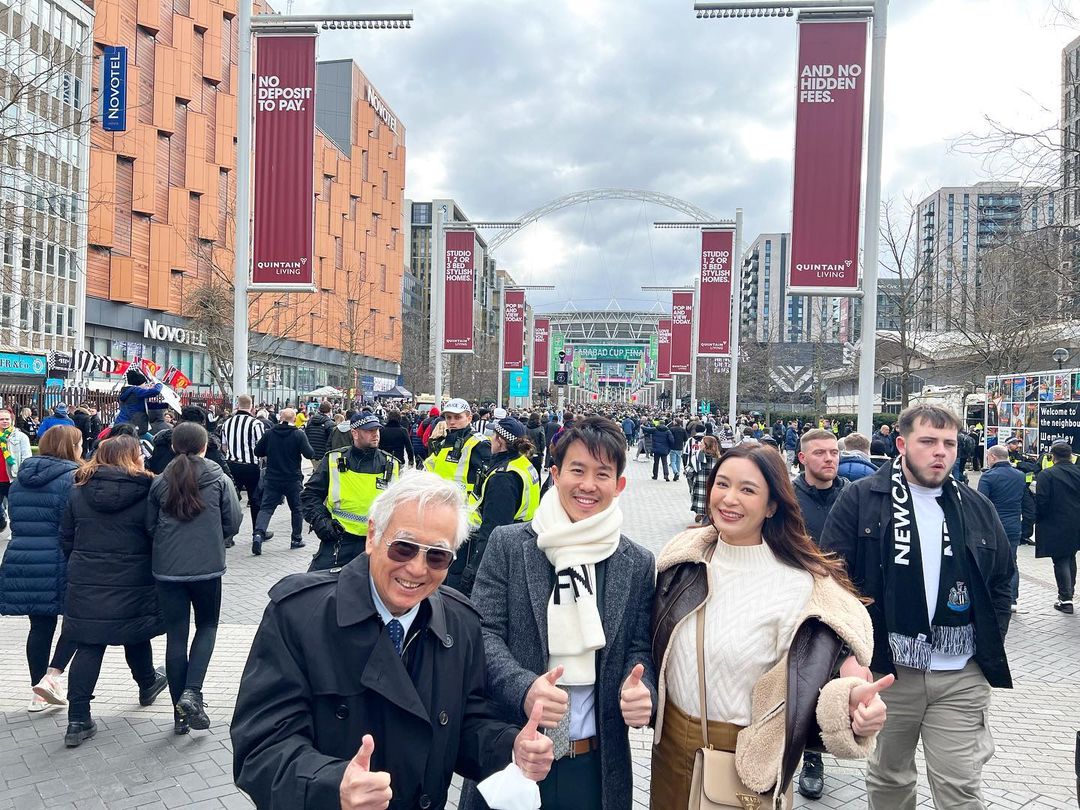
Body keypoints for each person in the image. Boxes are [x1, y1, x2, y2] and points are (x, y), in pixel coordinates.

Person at [231, 471, 554, 809]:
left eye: (437, 556)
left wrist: (510, 746)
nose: (417, 568)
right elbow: (261, 746)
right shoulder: (299, 615)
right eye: (403, 548)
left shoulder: (460, 623)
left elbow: (465, 722)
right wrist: (333, 784)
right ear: (373, 536)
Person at [650, 443, 888, 808]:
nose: (729, 499)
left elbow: (812, 682)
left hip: (745, 762)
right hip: (669, 749)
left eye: (748, 490)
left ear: (772, 505)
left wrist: (850, 708)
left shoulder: (799, 586)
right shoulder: (683, 561)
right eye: (722, 484)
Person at [821, 404, 1013, 810]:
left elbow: (1002, 581)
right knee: (890, 780)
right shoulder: (861, 500)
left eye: (948, 443)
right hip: (890, 672)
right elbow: (832, 582)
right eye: (928, 442)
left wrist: (985, 645)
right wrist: (852, 658)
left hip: (961, 675)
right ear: (902, 444)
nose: (939, 452)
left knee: (961, 787)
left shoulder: (975, 506)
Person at [460, 416, 657, 810]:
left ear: (619, 484)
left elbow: (639, 647)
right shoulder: (511, 546)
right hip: (514, 754)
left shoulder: (635, 562)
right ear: (554, 473)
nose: (588, 485)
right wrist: (525, 687)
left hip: (594, 765)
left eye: (602, 474)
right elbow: (482, 633)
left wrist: (642, 690)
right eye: (577, 470)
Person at [59, 435, 169, 747]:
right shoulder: (148, 489)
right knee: (135, 630)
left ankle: (78, 719)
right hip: (134, 574)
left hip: (87, 574)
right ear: (133, 457)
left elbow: (66, 534)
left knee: (90, 644)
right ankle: (147, 683)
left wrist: (80, 560)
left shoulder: (78, 489)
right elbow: (155, 533)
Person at [147, 423, 242, 734]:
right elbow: (234, 519)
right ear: (204, 446)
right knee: (207, 626)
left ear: (175, 447)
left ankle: (180, 716)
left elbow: (149, 526)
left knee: (176, 636)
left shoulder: (161, 481)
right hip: (207, 566)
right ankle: (193, 692)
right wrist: (217, 536)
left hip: (167, 568)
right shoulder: (218, 477)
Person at [0, 425, 82, 711]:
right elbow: (72, 524)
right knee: (76, 621)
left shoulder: (20, 480)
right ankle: (50, 679)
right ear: (70, 447)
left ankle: (38, 691)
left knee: (39, 626)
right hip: (60, 558)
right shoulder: (73, 479)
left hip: (23, 556)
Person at [790, 428, 848, 798]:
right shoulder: (788, 499)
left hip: (841, 601)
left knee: (825, 678)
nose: (829, 458)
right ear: (803, 458)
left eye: (833, 452)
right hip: (795, 600)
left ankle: (813, 754)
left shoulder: (852, 496)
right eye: (821, 453)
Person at [446, 417, 539, 597]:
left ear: (500, 441)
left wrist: (474, 569)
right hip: (521, 540)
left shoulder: (504, 478)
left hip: (497, 549)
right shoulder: (523, 464)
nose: (490, 439)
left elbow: (493, 528)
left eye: (493, 435)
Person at [301, 413, 401, 572]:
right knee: (314, 588)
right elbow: (310, 495)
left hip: (374, 543)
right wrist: (321, 522)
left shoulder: (391, 464)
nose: (376, 434)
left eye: (377, 430)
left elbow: (401, 506)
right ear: (355, 433)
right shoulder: (334, 460)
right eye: (369, 430)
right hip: (338, 539)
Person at [252, 408, 317, 555]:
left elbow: (257, 451)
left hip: (272, 478)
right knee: (296, 508)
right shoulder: (298, 435)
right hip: (292, 478)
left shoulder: (270, 434)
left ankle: (258, 534)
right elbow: (309, 453)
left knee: (266, 508)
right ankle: (296, 539)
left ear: (280, 418)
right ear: (294, 419)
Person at [978, 444, 1027, 611]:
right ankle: (1012, 600)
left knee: (990, 561)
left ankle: (991, 597)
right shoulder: (1020, 476)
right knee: (1012, 561)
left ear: (992, 457)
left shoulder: (988, 477)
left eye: (987, 457)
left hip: (993, 526)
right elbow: (1024, 500)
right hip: (1014, 525)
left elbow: (981, 503)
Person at [1034, 441, 1080, 615]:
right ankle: (1069, 594)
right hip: (1076, 522)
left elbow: (1042, 501)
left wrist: (1037, 519)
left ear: (1053, 456)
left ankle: (1066, 599)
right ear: (1071, 455)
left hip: (1055, 522)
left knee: (1060, 559)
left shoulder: (1047, 474)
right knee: (1070, 556)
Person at [424, 398, 491, 515]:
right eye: (448, 417)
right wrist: (432, 443)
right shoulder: (443, 442)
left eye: (457, 417)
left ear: (469, 418)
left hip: (466, 513)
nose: (452, 422)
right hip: (442, 507)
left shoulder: (479, 443)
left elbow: (486, 484)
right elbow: (429, 471)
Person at [220, 395, 270, 543]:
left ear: (237, 405)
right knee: (255, 500)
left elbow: (223, 446)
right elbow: (262, 447)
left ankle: (228, 536)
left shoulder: (227, 423)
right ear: (251, 406)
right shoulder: (256, 424)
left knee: (231, 500)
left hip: (232, 465)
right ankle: (257, 532)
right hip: (251, 466)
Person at [147, 405, 232, 478]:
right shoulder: (210, 445)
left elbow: (154, 469)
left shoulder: (163, 441)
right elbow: (225, 475)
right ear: (202, 423)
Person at [0, 407, 33, 533]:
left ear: (12, 420)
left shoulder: (21, 437)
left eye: (7, 419)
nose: (4, 421)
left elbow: (26, 458)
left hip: (13, 478)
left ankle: (15, 532)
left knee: (14, 508)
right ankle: (2, 522)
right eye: (1, 419)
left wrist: (22, 475)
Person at [685, 434, 721, 527]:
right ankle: (708, 519)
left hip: (700, 486)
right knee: (710, 505)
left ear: (706, 445)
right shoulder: (719, 459)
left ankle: (701, 515)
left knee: (702, 504)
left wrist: (687, 472)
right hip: (713, 487)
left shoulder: (698, 457)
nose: (700, 444)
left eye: (702, 443)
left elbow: (690, 472)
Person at [115, 367, 164, 432]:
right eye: (144, 383)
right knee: (151, 440)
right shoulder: (136, 390)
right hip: (131, 425)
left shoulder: (127, 391)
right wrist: (159, 384)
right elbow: (156, 391)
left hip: (121, 422)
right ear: (139, 383)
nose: (145, 385)